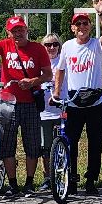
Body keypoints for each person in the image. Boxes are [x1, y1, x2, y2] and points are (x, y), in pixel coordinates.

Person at [52, 0, 102, 194]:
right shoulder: (68, 46)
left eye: (85, 24)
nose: (82, 27)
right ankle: (71, 178)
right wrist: (57, 91)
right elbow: (60, 69)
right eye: (78, 25)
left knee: (95, 143)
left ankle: (91, 180)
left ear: (89, 26)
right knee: (71, 142)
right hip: (74, 101)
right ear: (73, 28)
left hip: (96, 101)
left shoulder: (96, 45)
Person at [0, 12, 53, 197]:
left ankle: (30, 183)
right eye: (14, 31)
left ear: (27, 30)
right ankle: (12, 184)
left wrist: (32, 81)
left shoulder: (38, 49)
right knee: (8, 145)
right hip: (8, 102)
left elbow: (48, 75)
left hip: (30, 103)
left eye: (21, 29)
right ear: (9, 33)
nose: (18, 33)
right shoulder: (4, 45)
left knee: (31, 145)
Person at [37, 34, 66, 187]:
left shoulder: (63, 60)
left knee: (63, 144)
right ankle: (48, 177)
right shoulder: (39, 62)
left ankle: (63, 174)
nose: (52, 47)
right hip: (44, 111)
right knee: (45, 147)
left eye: (55, 44)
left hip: (61, 109)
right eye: (48, 45)